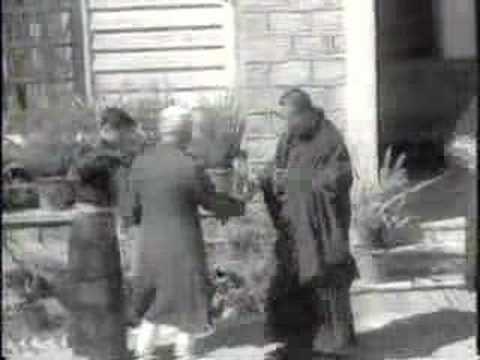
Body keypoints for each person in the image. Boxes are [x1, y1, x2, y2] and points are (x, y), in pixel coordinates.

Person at [127, 105, 246, 360]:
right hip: (183, 244)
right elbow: (211, 201)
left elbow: (131, 210)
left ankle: (143, 351)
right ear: (186, 132)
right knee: (187, 297)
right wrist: (240, 205)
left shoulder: (140, 164)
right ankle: (184, 353)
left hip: (149, 244)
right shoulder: (190, 166)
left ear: (161, 131)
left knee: (153, 297)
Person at [259, 89, 359, 359]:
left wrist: (294, 182)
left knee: (329, 279)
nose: (286, 125)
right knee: (294, 281)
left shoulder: (330, 139)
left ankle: (338, 344)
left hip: (324, 227)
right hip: (295, 225)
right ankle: (300, 342)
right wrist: (268, 176)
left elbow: (339, 178)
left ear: (305, 113)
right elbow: (277, 166)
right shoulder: (291, 136)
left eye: (289, 118)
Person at [66, 107, 144, 360]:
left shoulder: (106, 153)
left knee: (104, 288)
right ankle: (104, 352)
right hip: (92, 225)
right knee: (98, 290)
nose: (125, 138)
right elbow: (78, 170)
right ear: (110, 130)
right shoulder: (94, 154)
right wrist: (117, 155)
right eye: (123, 133)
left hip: (97, 223)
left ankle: (106, 349)